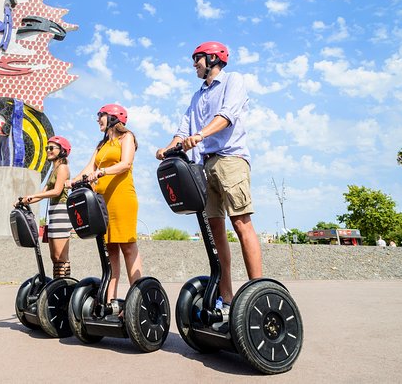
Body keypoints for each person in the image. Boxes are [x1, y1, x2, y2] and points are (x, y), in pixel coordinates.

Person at [156, 41, 262, 330]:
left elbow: (226, 116)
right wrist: (168, 148)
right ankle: (226, 300)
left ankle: (258, 292)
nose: (194, 65)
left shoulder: (233, 81)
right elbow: (183, 130)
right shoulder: (197, 95)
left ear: (213, 58)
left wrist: (199, 136)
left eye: (197, 59)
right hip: (205, 165)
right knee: (215, 231)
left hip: (231, 159)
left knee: (241, 223)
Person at [71, 104, 141, 317]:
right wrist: (72, 181)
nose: (98, 120)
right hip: (102, 201)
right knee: (110, 251)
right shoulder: (101, 144)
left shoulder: (126, 137)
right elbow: (89, 168)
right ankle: (110, 302)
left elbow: (125, 164)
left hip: (121, 197)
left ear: (113, 117)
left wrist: (102, 172)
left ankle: (136, 298)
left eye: (100, 116)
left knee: (127, 247)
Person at [19, 136, 74, 278]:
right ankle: (57, 285)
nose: (48, 150)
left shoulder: (62, 167)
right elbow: (43, 192)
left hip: (61, 211)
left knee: (61, 257)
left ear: (62, 150)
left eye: (51, 148)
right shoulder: (53, 169)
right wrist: (26, 200)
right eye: (46, 148)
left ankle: (65, 287)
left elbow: (56, 191)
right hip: (53, 212)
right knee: (55, 257)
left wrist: (33, 197)